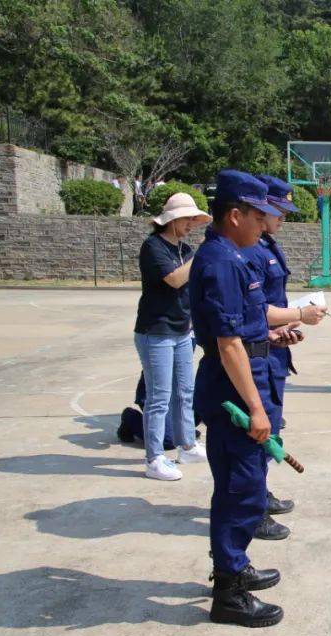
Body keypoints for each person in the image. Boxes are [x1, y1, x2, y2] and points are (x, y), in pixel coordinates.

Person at [189, 170, 298, 627]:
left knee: (245, 485)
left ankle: (235, 567)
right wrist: (256, 408)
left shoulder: (234, 255)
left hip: (250, 372)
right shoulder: (221, 262)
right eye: (258, 213)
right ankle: (229, 592)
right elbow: (227, 343)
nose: (265, 220)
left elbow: (245, 330)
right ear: (235, 215)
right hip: (237, 390)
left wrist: (271, 337)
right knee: (239, 491)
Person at [248, 175, 327, 541]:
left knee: (271, 428)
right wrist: (299, 315)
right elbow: (257, 309)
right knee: (258, 436)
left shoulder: (266, 245)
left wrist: (282, 329)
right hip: (256, 356)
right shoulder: (249, 252)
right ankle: (253, 508)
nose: (283, 217)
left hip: (271, 351)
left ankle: (259, 496)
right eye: (279, 210)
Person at [134, 192, 211, 481]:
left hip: (182, 330)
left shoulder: (184, 248)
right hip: (156, 331)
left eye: (194, 219)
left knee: (184, 391)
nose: (191, 224)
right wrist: (200, 255)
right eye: (187, 219)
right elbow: (175, 279)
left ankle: (187, 444)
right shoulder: (153, 247)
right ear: (172, 220)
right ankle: (154, 458)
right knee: (159, 396)